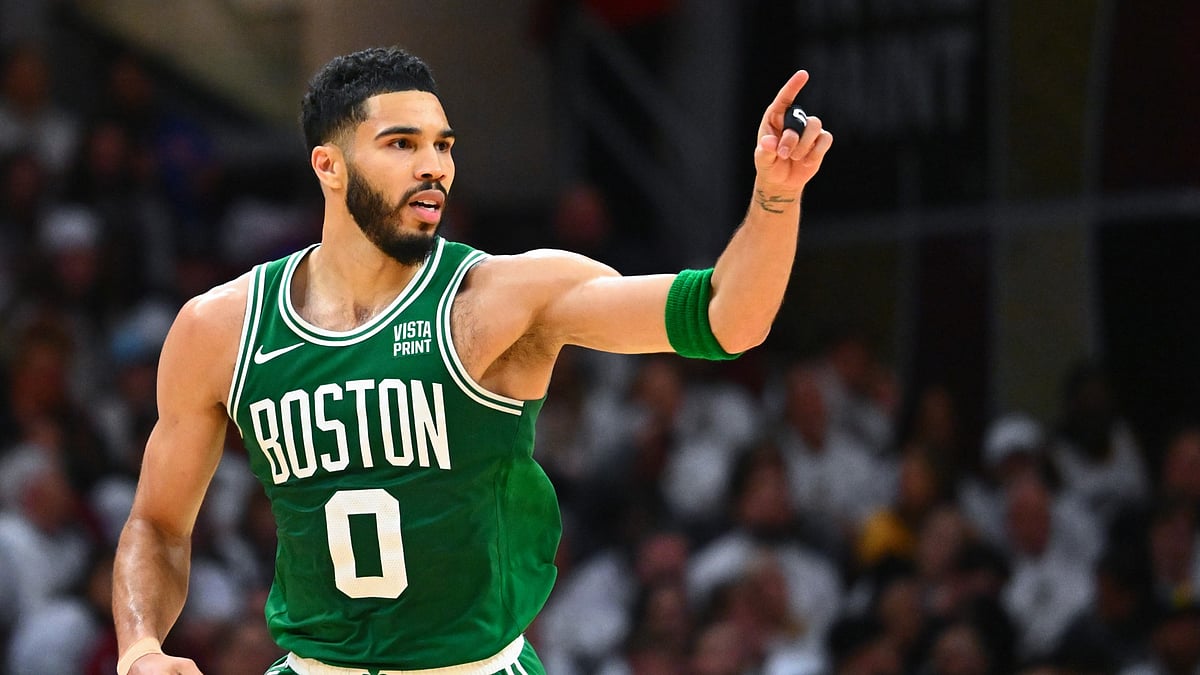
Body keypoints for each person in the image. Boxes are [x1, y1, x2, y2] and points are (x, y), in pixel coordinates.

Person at [111, 45, 832, 675]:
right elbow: (156, 525)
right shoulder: (221, 327)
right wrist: (140, 646)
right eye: (402, 144)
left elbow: (726, 319)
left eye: (443, 145)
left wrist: (775, 198)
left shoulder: (500, 298)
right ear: (329, 166)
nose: (433, 167)